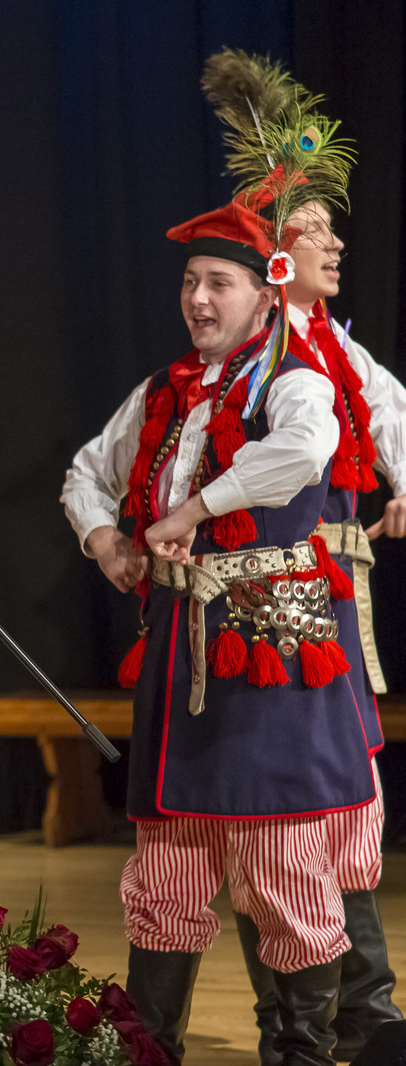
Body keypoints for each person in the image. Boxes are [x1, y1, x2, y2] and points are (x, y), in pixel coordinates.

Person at [62, 201, 373, 1064]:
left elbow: (303, 452)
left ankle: (300, 1051)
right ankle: (150, 1048)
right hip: (178, 644)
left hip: (266, 650)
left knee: (282, 864)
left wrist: (194, 509)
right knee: (167, 863)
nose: (198, 299)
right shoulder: (164, 392)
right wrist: (106, 540)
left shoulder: (294, 379)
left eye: (219, 283)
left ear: (266, 296)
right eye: (190, 282)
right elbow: (87, 471)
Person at [234, 197, 406, 1063]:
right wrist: (113, 533)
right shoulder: (253, 354)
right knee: (278, 803)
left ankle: (365, 1011)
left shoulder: (331, 343)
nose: (336, 243)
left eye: (336, 228)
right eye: (314, 229)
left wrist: (403, 485)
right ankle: (296, 1021)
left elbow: (391, 407)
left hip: (331, 594)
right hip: (264, 601)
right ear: (271, 252)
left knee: (345, 793)